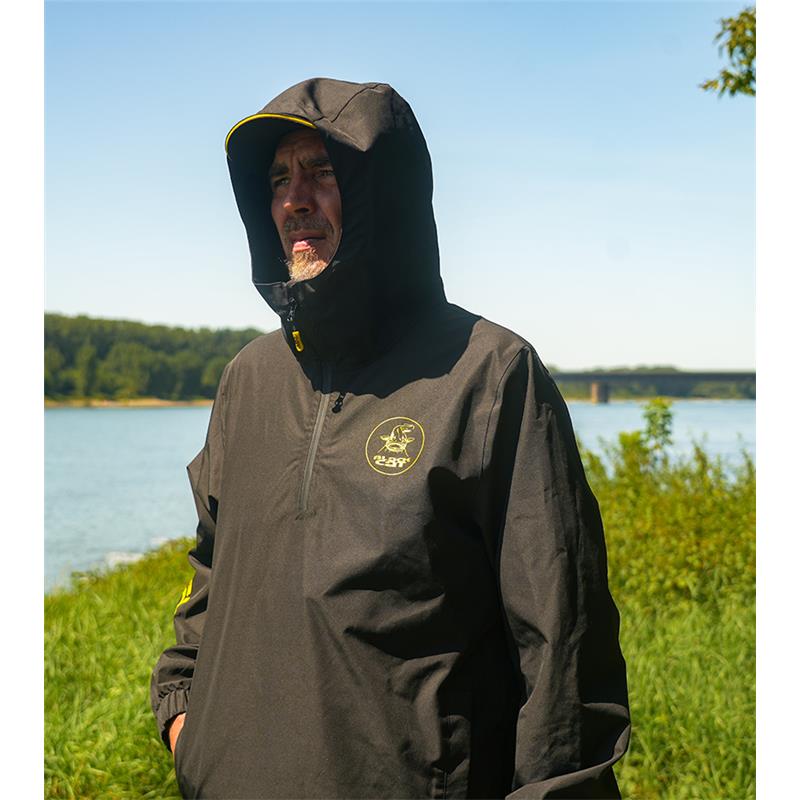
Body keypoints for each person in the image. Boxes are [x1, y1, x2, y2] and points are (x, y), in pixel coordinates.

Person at [151, 77, 630, 799]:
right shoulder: (249, 379)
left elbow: (564, 646)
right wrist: (186, 720)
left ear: (386, 192)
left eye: (322, 171)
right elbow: (213, 571)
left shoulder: (490, 376)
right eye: (278, 179)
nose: (294, 199)